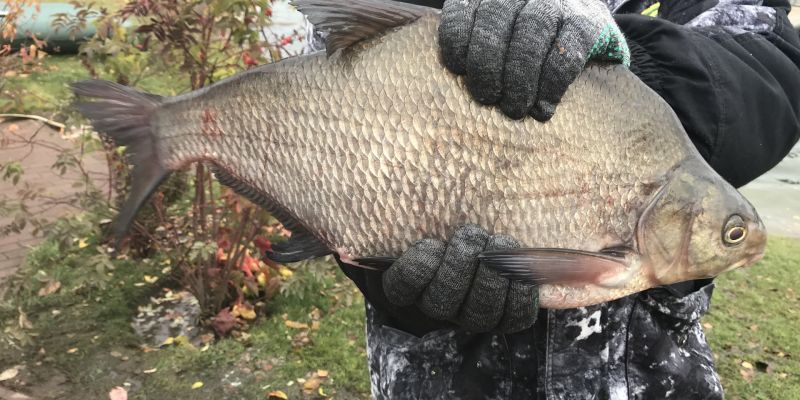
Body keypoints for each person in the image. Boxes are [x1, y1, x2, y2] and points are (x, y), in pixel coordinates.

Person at [314, 0, 800, 398]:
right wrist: (385, 276)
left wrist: (625, 81)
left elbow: (765, 46)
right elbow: (342, 114)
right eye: (730, 233)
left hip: (651, 374)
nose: (739, 244)